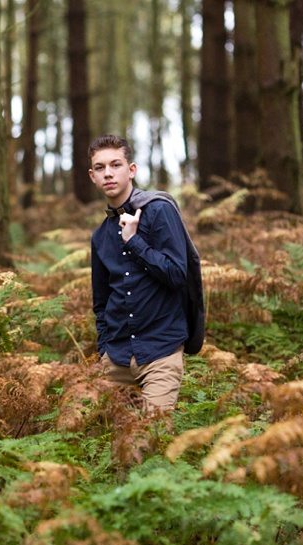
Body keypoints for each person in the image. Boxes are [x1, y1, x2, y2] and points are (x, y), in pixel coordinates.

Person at [88, 134, 196, 411]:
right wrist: (104, 350)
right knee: (113, 445)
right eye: (100, 168)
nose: (108, 173)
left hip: (161, 351)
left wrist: (134, 242)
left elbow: (177, 274)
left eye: (116, 165)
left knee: (151, 439)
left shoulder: (159, 211)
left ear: (131, 170)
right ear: (92, 176)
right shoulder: (100, 236)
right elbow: (101, 302)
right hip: (116, 357)